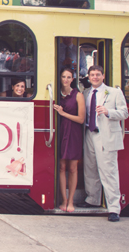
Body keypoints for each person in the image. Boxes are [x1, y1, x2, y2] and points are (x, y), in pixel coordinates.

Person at [77, 65, 129, 222]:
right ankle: (92, 199)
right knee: (90, 168)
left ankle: (114, 208)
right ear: (89, 77)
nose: (95, 77)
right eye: (92, 75)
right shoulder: (86, 93)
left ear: (103, 76)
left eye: (97, 75)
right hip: (89, 133)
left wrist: (108, 112)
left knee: (108, 172)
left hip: (106, 136)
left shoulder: (114, 92)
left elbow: (124, 113)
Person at [53, 68, 86, 213]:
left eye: (68, 77)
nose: (65, 79)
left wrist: (62, 113)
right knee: (61, 167)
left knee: (72, 168)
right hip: (61, 132)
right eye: (63, 76)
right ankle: (63, 200)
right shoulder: (56, 95)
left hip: (73, 133)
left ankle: (71, 200)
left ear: (72, 79)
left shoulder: (78, 95)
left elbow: (81, 119)